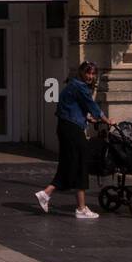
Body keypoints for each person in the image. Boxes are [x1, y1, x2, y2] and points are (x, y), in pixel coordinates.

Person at [36, 62, 106, 220]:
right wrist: (106, 119)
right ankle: (81, 208)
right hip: (73, 131)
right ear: (82, 72)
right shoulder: (80, 87)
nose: (90, 76)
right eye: (88, 73)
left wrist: (87, 118)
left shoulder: (72, 86)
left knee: (69, 163)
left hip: (66, 128)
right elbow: (91, 105)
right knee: (81, 164)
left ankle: (46, 193)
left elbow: (73, 108)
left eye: (93, 74)